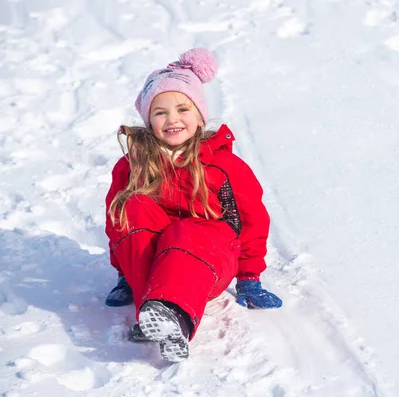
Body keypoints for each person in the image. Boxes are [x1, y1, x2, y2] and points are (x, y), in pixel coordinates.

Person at [104, 47, 282, 362]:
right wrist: (122, 273)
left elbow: (252, 220)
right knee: (131, 204)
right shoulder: (132, 165)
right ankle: (155, 310)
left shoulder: (224, 166)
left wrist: (249, 276)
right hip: (150, 266)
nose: (172, 119)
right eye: (160, 112)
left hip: (209, 260)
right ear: (148, 121)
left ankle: (176, 316)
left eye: (183, 109)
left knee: (188, 230)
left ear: (200, 116)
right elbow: (117, 223)